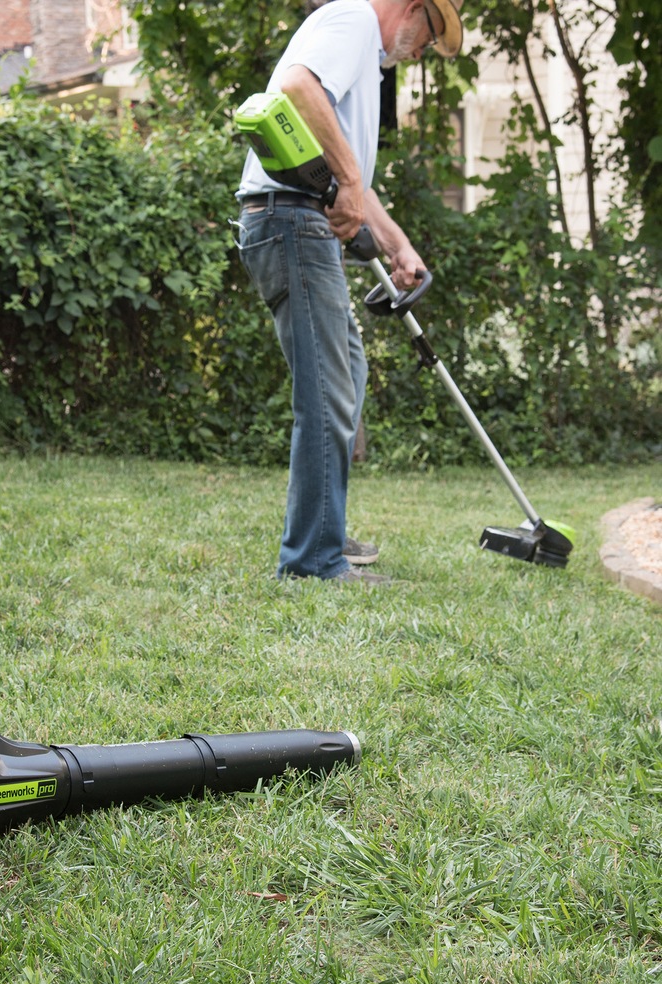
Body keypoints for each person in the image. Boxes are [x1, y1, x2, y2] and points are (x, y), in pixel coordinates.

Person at [236, 0, 464, 584]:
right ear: (413, 8)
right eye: (431, 32)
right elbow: (296, 85)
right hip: (292, 221)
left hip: (296, 221)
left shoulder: (363, 52)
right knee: (329, 390)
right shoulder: (355, 20)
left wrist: (398, 245)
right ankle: (313, 560)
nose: (422, 51)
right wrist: (353, 181)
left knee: (347, 374)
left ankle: (324, 533)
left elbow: (348, 176)